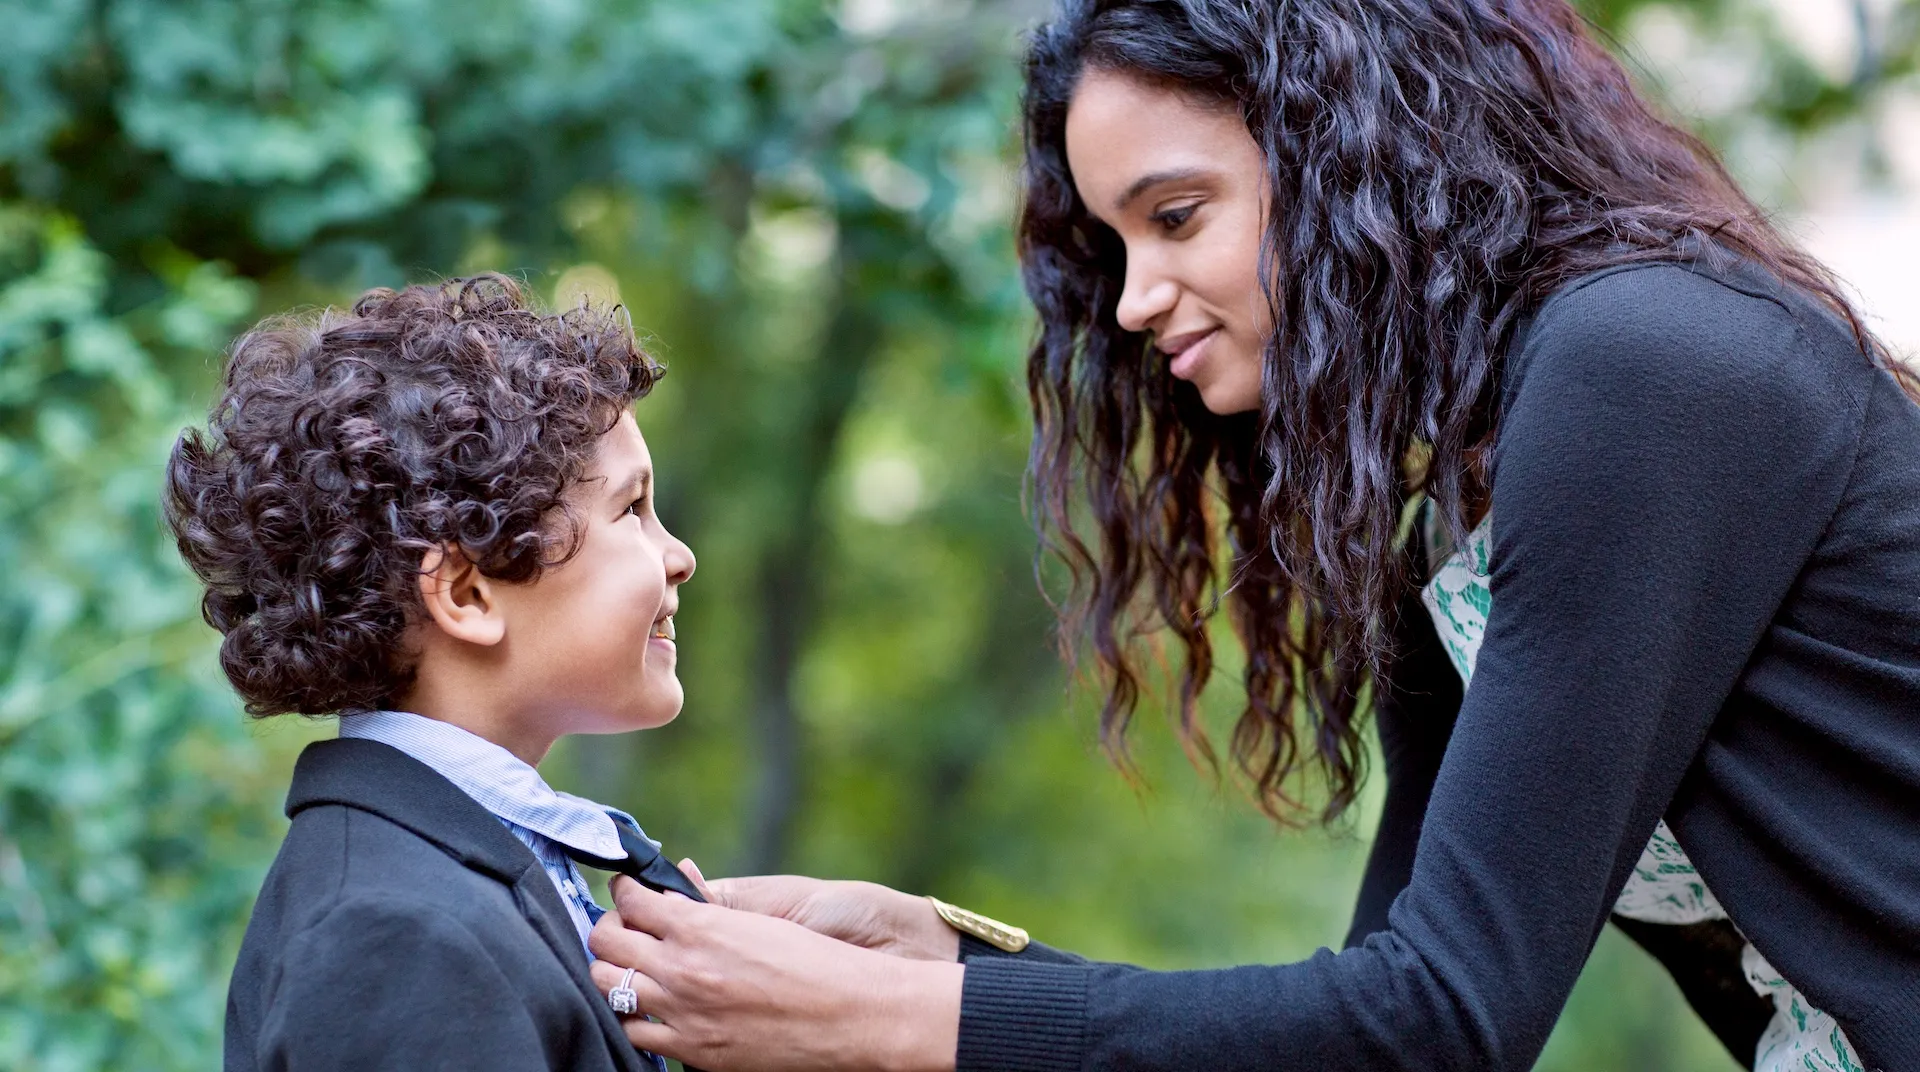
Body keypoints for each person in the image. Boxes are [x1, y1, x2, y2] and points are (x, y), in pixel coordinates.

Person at [586, 0, 1920, 1069]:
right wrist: (944, 964)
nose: (1131, 303)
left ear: (1357, 154)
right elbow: (1378, 1017)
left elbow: (1444, 1025)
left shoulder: (1648, 365)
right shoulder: (1456, 521)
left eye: (1175, 218)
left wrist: (886, 1028)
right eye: (1111, 248)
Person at [165, 275, 704, 1071]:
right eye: (631, 510)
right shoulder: (391, 933)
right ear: (465, 591)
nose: (680, 557)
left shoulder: (452, 873)